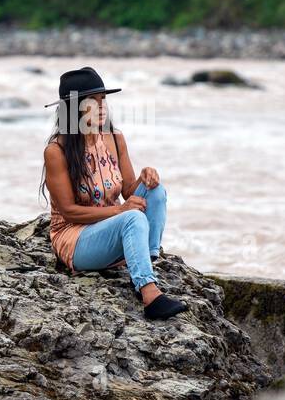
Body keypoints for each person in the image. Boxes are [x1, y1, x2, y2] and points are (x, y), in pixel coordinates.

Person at [39, 66, 188, 320]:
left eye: (103, 99)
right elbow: (69, 211)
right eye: (92, 101)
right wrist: (120, 210)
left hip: (111, 227)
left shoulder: (114, 138)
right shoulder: (57, 151)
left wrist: (145, 177)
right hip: (75, 239)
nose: (101, 107)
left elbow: (129, 190)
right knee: (132, 217)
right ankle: (150, 296)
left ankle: (146, 266)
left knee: (156, 192)